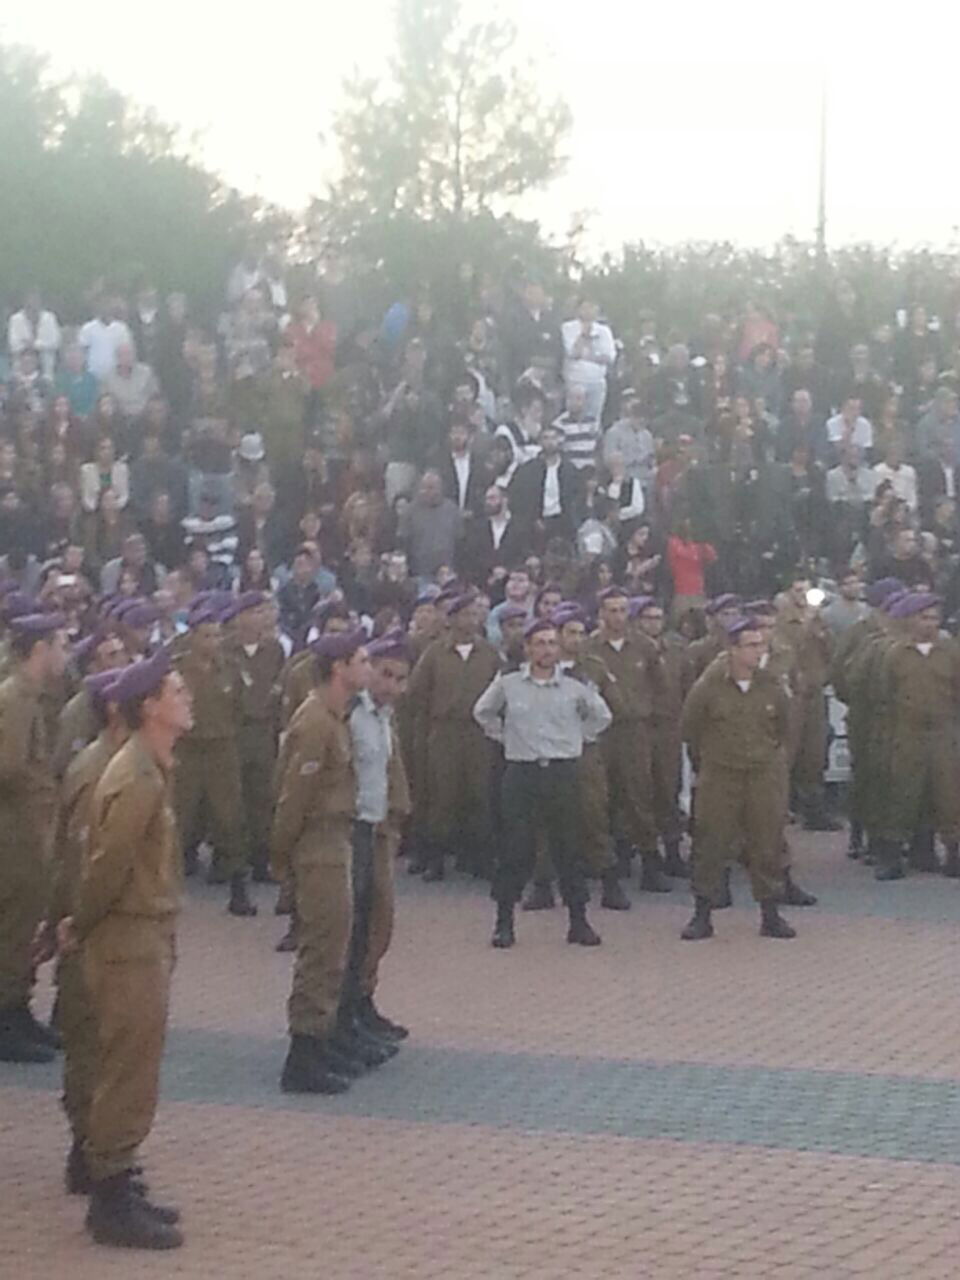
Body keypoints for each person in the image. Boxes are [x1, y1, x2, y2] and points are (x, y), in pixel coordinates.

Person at [59, 647, 193, 1249]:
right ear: (149, 707)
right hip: (126, 935)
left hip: (143, 929)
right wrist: (78, 925)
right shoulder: (134, 776)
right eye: (177, 691)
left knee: (135, 1062)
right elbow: (105, 866)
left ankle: (119, 1173)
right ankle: (110, 1196)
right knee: (125, 1066)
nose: (187, 698)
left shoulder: (151, 765)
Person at [272, 629, 397, 1096]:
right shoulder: (315, 722)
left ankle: (324, 1041)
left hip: (337, 838)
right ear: (340, 668)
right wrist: (282, 857)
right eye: (362, 661)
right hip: (319, 845)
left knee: (337, 948)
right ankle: (303, 1056)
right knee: (321, 951)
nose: (369, 669)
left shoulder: (336, 716)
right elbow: (293, 799)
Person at [474, 616, 611, 948]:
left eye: (552, 643)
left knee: (569, 850)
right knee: (515, 850)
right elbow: (483, 712)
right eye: (540, 643)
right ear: (527, 649)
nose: (547, 650)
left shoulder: (576, 682)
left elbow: (602, 716)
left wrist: (578, 739)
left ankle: (578, 922)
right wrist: (506, 738)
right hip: (522, 774)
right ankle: (504, 922)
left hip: (563, 773)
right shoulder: (508, 681)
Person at [42, 671, 128, 1196]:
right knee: (90, 1045)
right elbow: (77, 860)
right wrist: (66, 923)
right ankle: (89, 1153)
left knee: (109, 1045)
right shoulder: (97, 770)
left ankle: (102, 1151)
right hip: (91, 930)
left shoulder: (119, 765)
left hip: (108, 928)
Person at [680, 616, 796, 941]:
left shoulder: (772, 685)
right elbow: (689, 728)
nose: (758, 652)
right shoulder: (708, 687)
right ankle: (702, 913)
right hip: (721, 774)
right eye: (751, 645)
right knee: (711, 841)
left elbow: (786, 728)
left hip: (763, 774)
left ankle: (770, 914)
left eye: (761, 645)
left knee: (766, 841)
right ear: (732, 649)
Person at [0, 612, 68, 1063]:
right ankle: (5, 1020)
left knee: (24, 927)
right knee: (12, 927)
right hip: (15, 834)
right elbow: (7, 768)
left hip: (29, 830)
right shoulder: (15, 698)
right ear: (40, 649)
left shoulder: (30, 696)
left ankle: (18, 1007)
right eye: (60, 645)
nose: (65, 655)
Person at [341, 629, 411, 1046]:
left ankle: (362, 1001)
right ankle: (341, 1013)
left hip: (379, 826)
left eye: (401, 679)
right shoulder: (348, 714)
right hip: (351, 829)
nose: (393, 686)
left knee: (376, 921)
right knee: (350, 926)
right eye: (385, 674)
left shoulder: (384, 716)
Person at [405, 591, 500, 880]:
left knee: (479, 793)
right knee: (441, 795)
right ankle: (435, 858)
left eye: (476, 614)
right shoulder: (434, 652)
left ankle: (477, 857)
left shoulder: (490, 653)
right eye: (466, 614)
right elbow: (416, 693)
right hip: (443, 730)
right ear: (453, 619)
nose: (472, 620)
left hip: (478, 732)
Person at [172, 600, 256, 914]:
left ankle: (239, 888)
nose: (213, 643)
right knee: (179, 817)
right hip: (188, 749)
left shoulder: (231, 668)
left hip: (222, 749)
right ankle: (168, 886)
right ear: (192, 636)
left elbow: (241, 708)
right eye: (206, 636)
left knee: (230, 818)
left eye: (217, 636)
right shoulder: (177, 669)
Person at [587, 585, 671, 892]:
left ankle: (650, 862)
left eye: (623, 610)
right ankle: (605, 861)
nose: (618, 616)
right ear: (600, 613)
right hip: (599, 732)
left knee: (639, 796)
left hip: (635, 730)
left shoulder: (645, 647)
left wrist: (649, 717)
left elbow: (662, 687)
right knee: (599, 797)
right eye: (612, 610)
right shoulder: (589, 648)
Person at [873, 592, 960, 881]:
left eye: (934, 618)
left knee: (950, 794)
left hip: (943, 733)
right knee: (902, 794)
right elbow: (884, 696)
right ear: (911, 620)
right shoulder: (895, 654)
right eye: (923, 617)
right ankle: (892, 856)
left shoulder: (951, 652)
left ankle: (954, 853)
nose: (929, 624)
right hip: (906, 732)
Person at [222, 592, 284, 882]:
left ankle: (261, 858)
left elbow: (278, 687)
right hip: (233, 730)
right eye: (254, 612)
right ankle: (231, 859)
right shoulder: (225, 650)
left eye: (264, 611)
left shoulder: (273, 650)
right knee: (233, 798)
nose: (261, 617)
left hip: (262, 729)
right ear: (240, 616)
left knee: (263, 796)